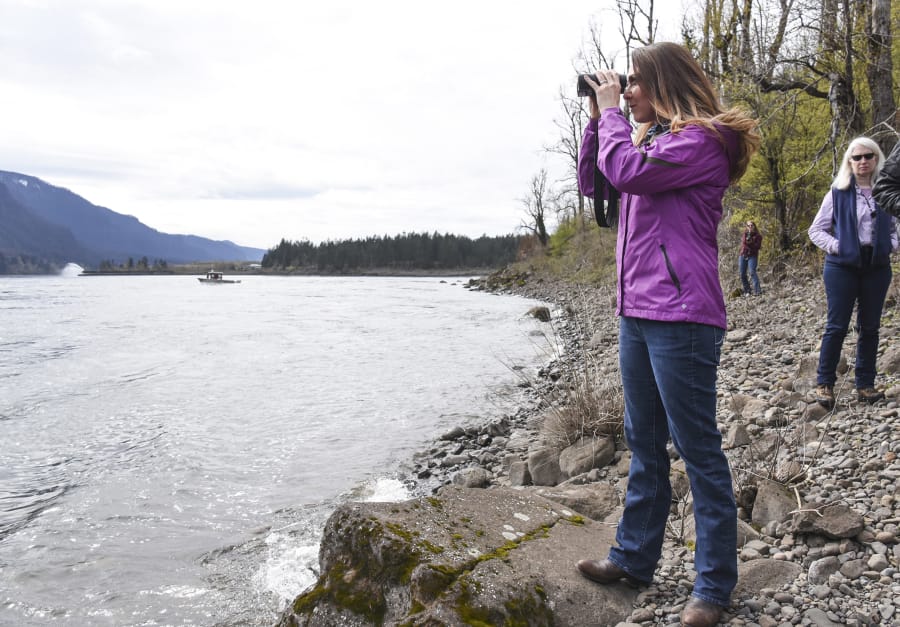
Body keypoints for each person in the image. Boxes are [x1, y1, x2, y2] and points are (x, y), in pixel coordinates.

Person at [575, 42, 759, 627]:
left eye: (634, 82)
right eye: (622, 85)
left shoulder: (701, 143)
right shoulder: (650, 140)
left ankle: (713, 587)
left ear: (665, 83)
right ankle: (633, 559)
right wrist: (597, 118)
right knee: (643, 441)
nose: (626, 92)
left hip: (682, 315)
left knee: (698, 450)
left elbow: (625, 170)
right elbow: (595, 182)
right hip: (637, 312)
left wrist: (611, 116)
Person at [808, 136, 898, 408]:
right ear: (849, 161)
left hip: (877, 266)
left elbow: (896, 227)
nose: (862, 161)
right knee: (837, 326)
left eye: (868, 156)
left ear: (876, 158)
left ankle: (865, 385)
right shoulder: (838, 191)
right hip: (841, 267)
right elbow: (816, 231)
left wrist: (889, 246)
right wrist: (839, 247)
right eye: (856, 157)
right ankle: (825, 383)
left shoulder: (888, 190)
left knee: (870, 327)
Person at [739, 221, 763, 295]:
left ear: (754, 226)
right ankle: (747, 290)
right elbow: (744, 243)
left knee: (752, 272)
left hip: (752, 256)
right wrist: (750, 243)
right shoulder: (745, 234)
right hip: (743, 255)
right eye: (748, 225)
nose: (750, 227)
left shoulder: (758, 236)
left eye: (751, 225)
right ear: (746, 227)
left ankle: (757, 290)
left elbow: (757, 246)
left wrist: (750, 242)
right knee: (742, 274)